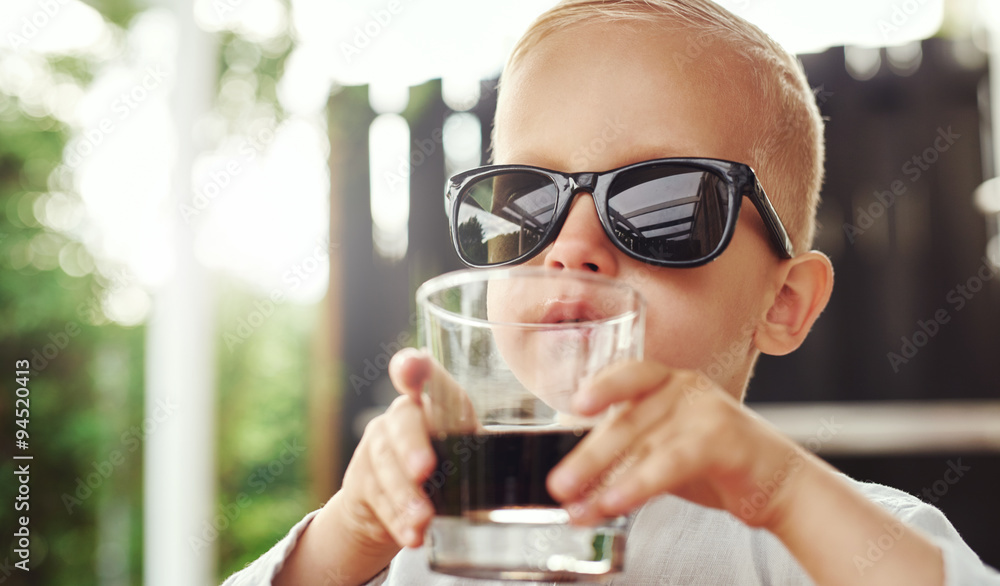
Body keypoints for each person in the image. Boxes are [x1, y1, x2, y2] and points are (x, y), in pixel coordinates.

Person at [225, 1, 1000, 584]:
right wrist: (342, 540)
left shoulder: (840, 539)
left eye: (661, 205)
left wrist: (784, 493)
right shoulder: (430, 538)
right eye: (524, 203)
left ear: (784, 302)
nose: (573, 248)